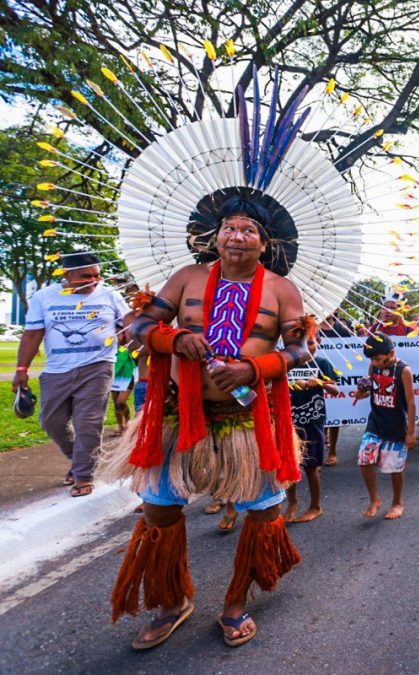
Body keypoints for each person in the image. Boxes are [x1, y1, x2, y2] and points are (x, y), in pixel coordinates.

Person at [100, 195, 311, 648]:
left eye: (248, 230)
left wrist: (253, 368)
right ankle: (171, 601)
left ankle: (236, 602)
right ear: (215, 238)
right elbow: (139, 327)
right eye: (229, 228)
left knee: (264, 511)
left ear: (264, 243)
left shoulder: (282, 289)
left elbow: (300, 349)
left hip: (246, 419)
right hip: (180, 414)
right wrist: (174, 338)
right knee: (158, 509)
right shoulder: (187, 277)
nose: (237, 236)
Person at [13, 252, 128, 497]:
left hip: (98, 366)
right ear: (67, 274)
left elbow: (129, 322)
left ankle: (83, 475)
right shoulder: (44, 297)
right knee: (51, 421)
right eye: (86, 276)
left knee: (88, 422)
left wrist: (133, 325)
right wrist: (21, 369)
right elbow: (32, 334)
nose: (93, 281)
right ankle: (79, 461)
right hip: (57, 370)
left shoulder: (110, 294)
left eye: (97, 275)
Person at [352, 332, 416, 520]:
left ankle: (397, 502)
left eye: (379, 359)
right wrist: (361, 394)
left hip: (396, 425)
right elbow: (370, 390)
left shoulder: (404, 371)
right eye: (373, 360)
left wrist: (411, 433)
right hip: (376, 422)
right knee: (364, 458)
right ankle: (374, 498)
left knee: (394, 466)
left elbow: (411, 402)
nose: (376, 363)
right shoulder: (373, 366)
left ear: (391, 353)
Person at [285, 332, 340, 523]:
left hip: (312, 420)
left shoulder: (322, 364)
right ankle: (292, 503)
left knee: (311, 466)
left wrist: (318, 383)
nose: (306, 348)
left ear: (318, 342)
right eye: (301, 344)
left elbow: (335, 389)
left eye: (310, 343)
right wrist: (292, 385)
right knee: (289, 464)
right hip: (288, 420)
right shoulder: (286, 364)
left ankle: (315, 506)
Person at [318, 311, 352, 467]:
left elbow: (352, 349)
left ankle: (332, 451)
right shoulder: (312, 328)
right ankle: (316, 452)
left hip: (336, 374)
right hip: (317, 371)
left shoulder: (341, 329)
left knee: (335, 414)